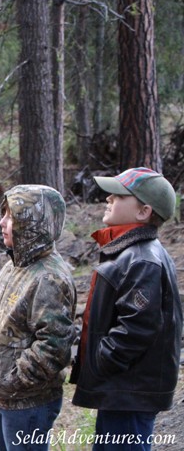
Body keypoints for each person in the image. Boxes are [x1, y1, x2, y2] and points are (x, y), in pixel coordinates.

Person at [71, 168, 182, 451]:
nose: (108, 198)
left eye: (119, 195)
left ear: (144, 212)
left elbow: (137, 328)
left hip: (129, 392)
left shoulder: (142, 259)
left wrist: (100, 361)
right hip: (121, 391)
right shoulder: (129, 251)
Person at [0, 184, 77, 451]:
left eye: (11, 216)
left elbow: (54, 346)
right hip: (2, 399)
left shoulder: (49, 278)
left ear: (34, 223)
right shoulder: (14, 266)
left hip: (28, 404)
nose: (1, 222)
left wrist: (14, 381)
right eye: (4, 214)